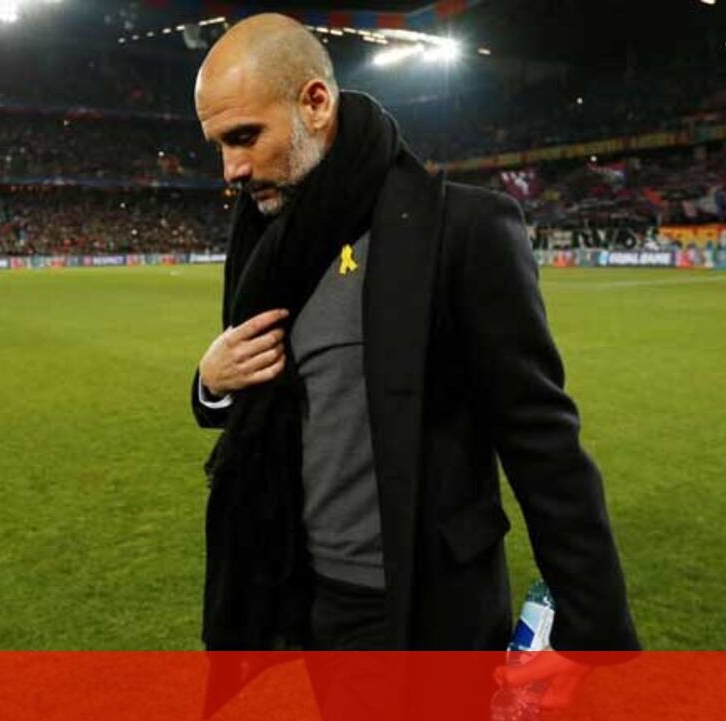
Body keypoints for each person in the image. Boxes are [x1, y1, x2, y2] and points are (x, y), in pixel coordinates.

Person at [189, 13, 638, 718]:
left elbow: (540, 436)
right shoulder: (269, 249)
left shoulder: (461, 232)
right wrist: (210, 384)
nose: (231, 170)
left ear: (316, 103)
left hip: (432, 610)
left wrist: (589, 626)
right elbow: (257, 404)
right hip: (313, 599)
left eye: (245, 137)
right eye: (219, 145)